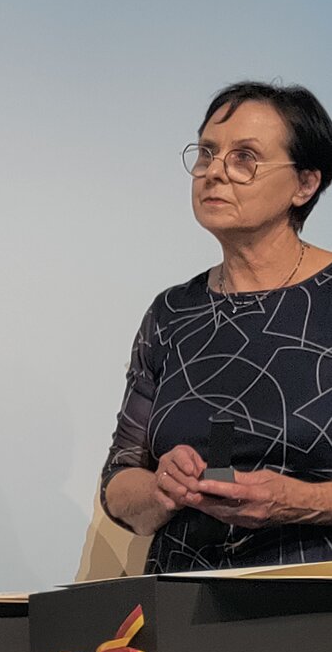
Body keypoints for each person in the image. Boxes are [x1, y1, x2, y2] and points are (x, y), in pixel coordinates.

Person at [102, 81, 332, 572]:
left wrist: (297, 500)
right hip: (182, 599)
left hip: (312, 592)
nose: (214, 172)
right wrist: (162, 490)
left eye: (245, 158)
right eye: (207, 153)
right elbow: (118, 483)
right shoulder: (172, 312)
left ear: (305, 184)